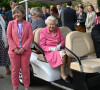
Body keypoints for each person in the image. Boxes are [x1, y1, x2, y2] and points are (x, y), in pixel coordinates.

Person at [39, 16, 73, 83]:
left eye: (53, 24)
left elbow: (63, 41)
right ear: (47, 24)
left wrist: (60, 45)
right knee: (63, 53)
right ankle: (62, 74)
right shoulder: (43, 31)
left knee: (69, 53)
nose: (52, 26)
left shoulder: (57, 29)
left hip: (59, 49)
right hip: (49, 51)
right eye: (50, 24)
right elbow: (42, 46)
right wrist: (51, 48)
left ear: (56, 24)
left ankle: (69, 71)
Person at [7, 5, 33, 90]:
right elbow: (9, 36)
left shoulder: (28, 24)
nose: (16, 14)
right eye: (15, 13)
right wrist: (14, 48)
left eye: (18, 12)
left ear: (23, 13)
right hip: (13, 51)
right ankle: (15, 88)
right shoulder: (11, 23)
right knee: (15, 71)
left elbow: (30, 37)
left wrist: (23, 48)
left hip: (25, 51)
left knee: (25, 70)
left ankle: (26, 87)